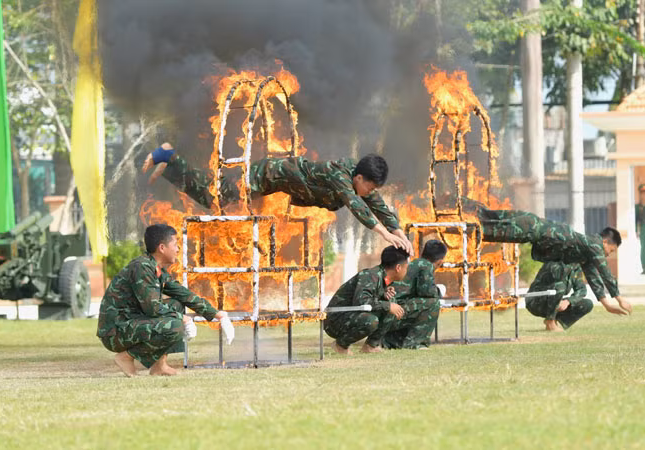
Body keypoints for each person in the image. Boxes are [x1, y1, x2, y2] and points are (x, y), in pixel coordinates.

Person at [143, 143, 413, 255]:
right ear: (360, 179)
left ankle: (170, 168)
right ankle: (169, 155)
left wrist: (399, 234)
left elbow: (378, 206)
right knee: (219, 197)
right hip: (267, 176)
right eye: (369, 187)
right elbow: (356, 206)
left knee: (215, 196)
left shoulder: (360, 179)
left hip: (276, 188)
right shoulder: (340, 176)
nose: (370, 192)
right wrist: (382, 234)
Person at [96, 224, 231, 377]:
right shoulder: (142, 268)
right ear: (162, 247)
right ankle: (126, 357)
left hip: (130, 323)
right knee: (174, 325)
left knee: (177, 304)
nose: (178, 249)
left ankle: (159, 366)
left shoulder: (154, 267)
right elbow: (152, 308)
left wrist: (217, 314)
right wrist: (184, 319)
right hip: (115, 332)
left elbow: (182, 294)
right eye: (175, 244)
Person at [462, 198, 632, 315]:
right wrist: (619, 298)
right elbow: (604, 273)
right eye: (611, 250)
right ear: (605, 241)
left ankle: (459, 202)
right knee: (480, 230)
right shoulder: (594, 245)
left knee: (484, 216)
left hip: (530, 223)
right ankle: (453, 210)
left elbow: (593, 276)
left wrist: (607, 304)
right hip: (530, 228)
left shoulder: (586, 251)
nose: (609, 254)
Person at [323, 246, 410, 354]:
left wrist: (384, 296)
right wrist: (387, 305)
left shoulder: (382, 278)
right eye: (406, 267)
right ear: (398, 268)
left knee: (393, 306)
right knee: (372, 319)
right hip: (335, 319)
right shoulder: (370, 275)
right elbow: (360, 301)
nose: (407, 271)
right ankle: (341, 345)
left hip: (349, 315)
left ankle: (371, 346)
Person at [382, 239, 446, 349]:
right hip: (393, 313)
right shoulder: (426, 265)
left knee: (416, 304)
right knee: (432, 303)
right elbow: (427, 292)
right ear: (440, 261)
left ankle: (391, 341)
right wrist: (439, 291)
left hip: (386, 312)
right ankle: (416, 344)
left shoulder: (413, 263)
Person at [526, 262, 593, 332]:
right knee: (560, 287)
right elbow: (557, 287)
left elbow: (582, 289)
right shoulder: (555, 263)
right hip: (535, 301)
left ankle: (553, 320)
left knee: (587, 304)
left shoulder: (576, 267)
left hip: (552, 300)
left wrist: (568, 301)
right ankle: (550, 321)